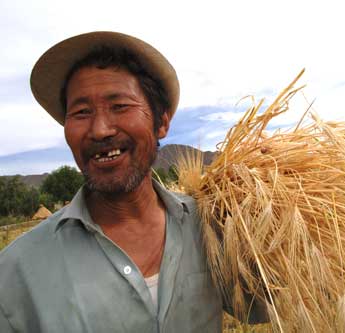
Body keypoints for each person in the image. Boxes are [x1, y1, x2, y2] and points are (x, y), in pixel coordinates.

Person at [0, 31, 266, 332]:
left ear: (162, 122)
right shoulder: (14, 273)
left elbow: (265, 307)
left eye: (120, 106)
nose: (100, 130)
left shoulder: (212, 226)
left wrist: (276, 221)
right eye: (81, 112)